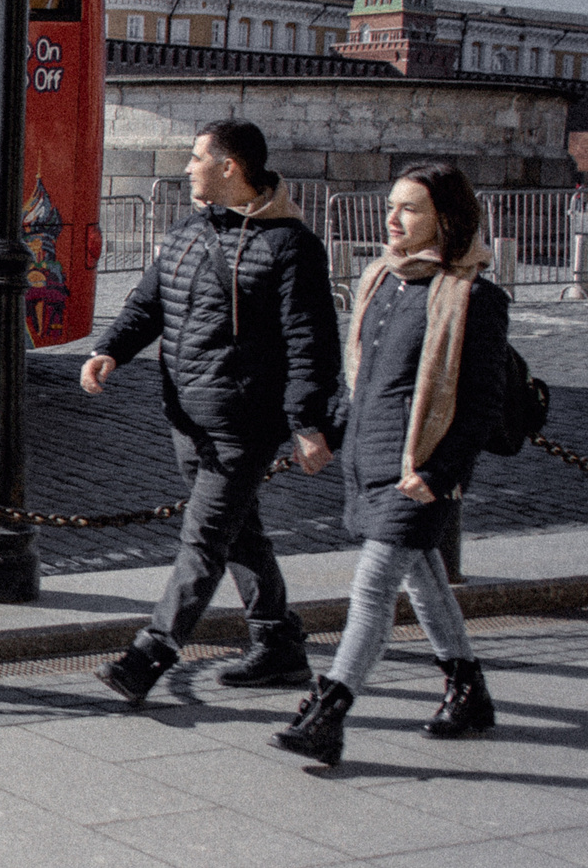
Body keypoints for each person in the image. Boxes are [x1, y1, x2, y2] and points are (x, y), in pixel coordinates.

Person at [80, 119, 339, 705]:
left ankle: (149, 655)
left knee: (203, 539)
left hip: (243, 421)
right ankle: (278, 646)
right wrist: (109, 351)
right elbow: (149, 303)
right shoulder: (186, 232)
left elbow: (310, 342)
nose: (187, 167)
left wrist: (306, 422)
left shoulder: (291, 246)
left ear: (230, 167)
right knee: (237, 531)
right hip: (185, 414)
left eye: (197, 157)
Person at [274, 162, 505, 767]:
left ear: (446, 220)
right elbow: (364, 381)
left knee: (374, 585)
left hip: (419, 467)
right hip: (369, 459)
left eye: (411, 209)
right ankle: (468, 690)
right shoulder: (382, 280)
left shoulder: (475, 298)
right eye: (392, 206)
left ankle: (329, 711)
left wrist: (439, 472)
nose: (393, 219)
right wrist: (326, 432)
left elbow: (481, 403)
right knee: (423, 581)